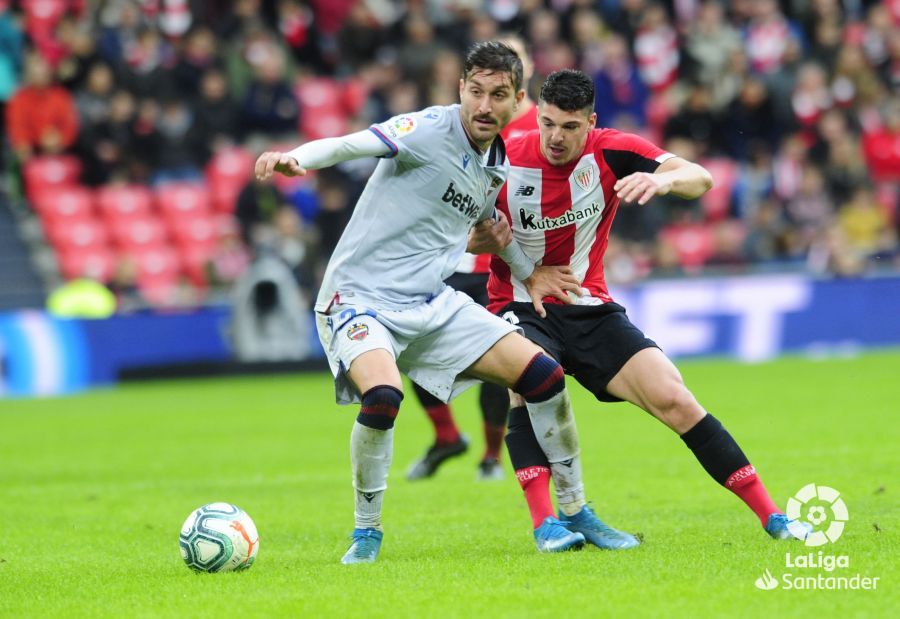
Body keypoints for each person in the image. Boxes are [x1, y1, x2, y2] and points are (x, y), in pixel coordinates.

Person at [254, 42, 596, 563]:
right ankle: (366, 533)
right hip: (360, 300)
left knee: (544, 376)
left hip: (432, 302)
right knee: (384, 398)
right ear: (460, 88)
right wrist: (296, 158)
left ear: (517, 100)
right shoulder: (427, 129)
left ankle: (571, 512)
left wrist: (532, 276)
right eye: (475, 92)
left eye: (498, 95)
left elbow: (489, 231)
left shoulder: (496, 162)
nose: (484, 106)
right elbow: (351, 145)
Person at [482, 69, 813, 545]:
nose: (555, 137)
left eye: (570, 127)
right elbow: (467, 226)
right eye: (548, 123)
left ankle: (773, 517)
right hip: (517, 301)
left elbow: (698, 178)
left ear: (590, 122)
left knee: (676, 399)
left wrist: (665, 182)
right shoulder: (503, 159)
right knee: (531, 380)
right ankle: (546, 525)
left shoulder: (614, 149)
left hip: (586, 304)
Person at [405, 34, 537, 483]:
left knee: (498, 366)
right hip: (449, 262)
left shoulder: (541, 128)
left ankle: (491, 458)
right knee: (411, 350)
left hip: (498, 265)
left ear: (525, 75)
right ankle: (447, 438)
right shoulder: (459, 122)